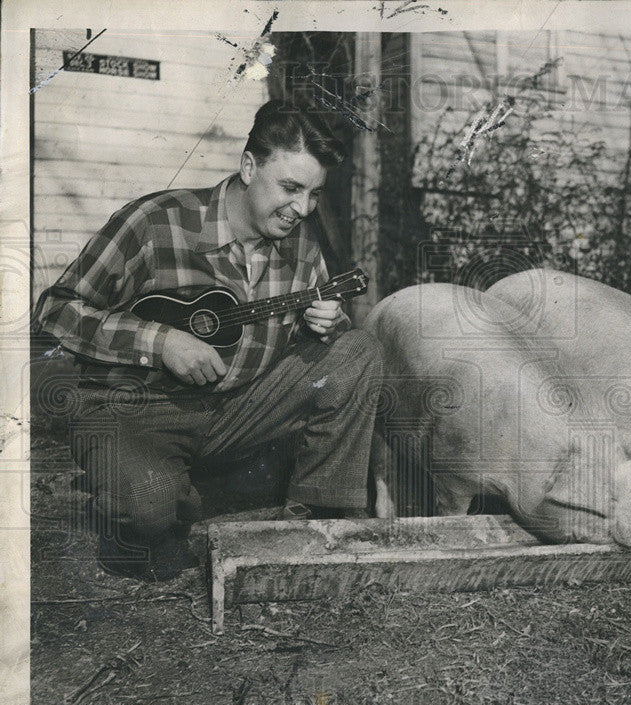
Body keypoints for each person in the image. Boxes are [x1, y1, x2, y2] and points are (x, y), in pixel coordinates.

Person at [35, 100, 383, 583]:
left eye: (315, 195)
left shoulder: (301, 242)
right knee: (150, 515)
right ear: (247, 166)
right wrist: (159, 341)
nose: (302, 209)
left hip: (235, 410)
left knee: (358, 350)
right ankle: (166, 495)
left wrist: (326, 323)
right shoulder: (157, 222)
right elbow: (55, 310)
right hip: (134, 410)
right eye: (290, 188)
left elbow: (326, 355)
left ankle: (321, 524)